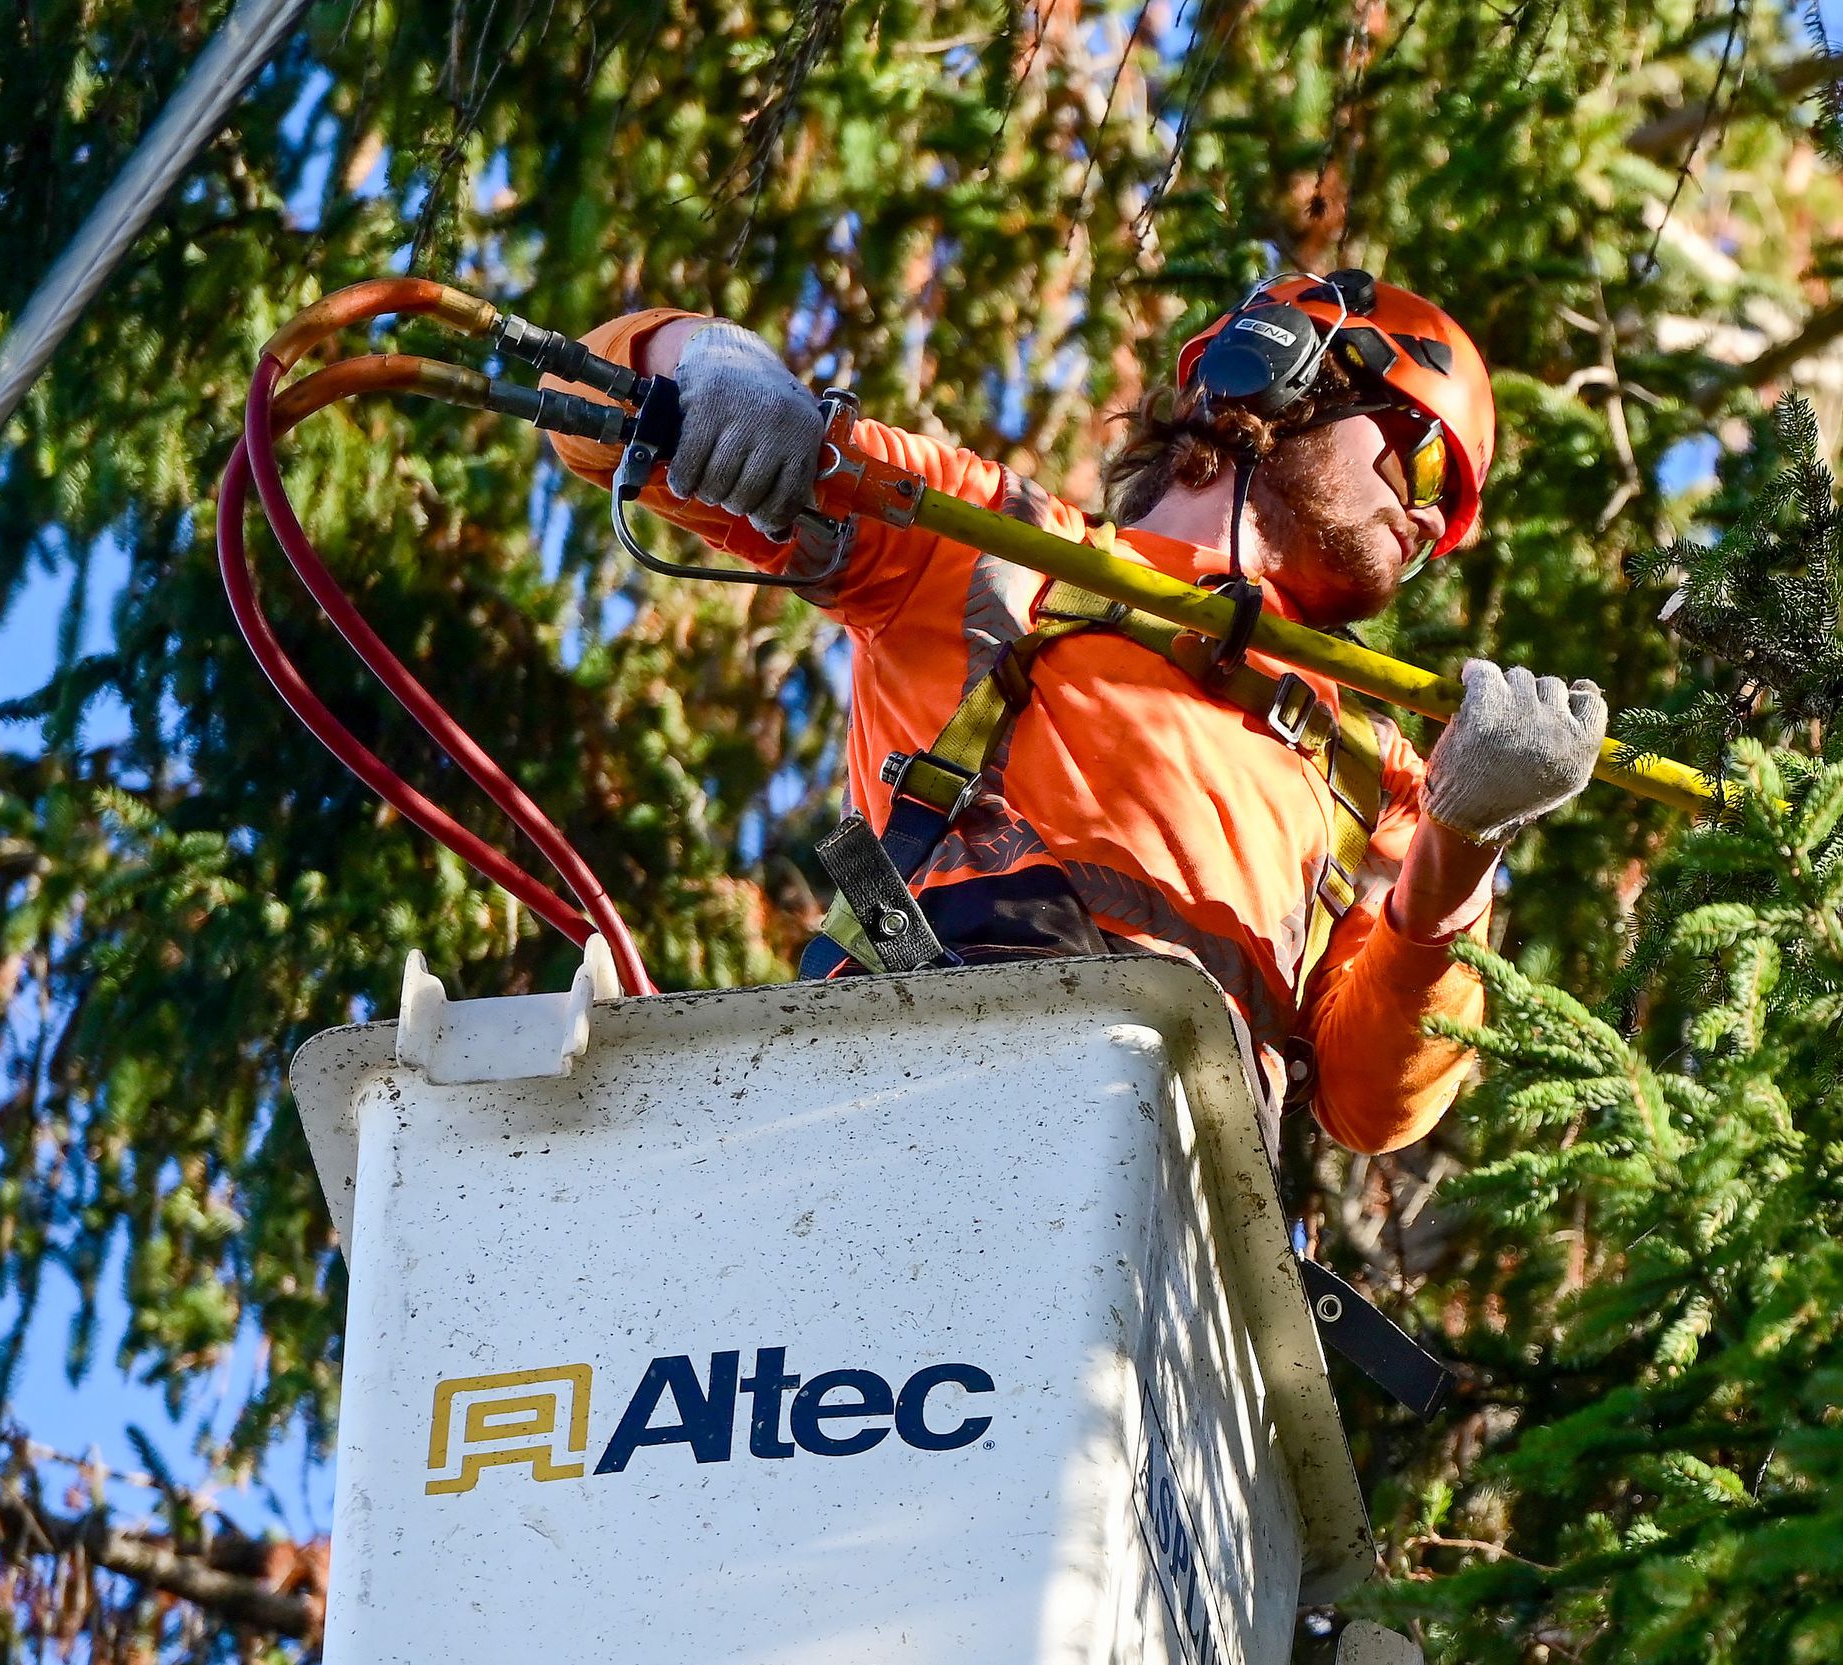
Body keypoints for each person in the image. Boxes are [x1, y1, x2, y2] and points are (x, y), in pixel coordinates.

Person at [549, 269, 1602, 1154]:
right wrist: (712, 369)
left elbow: (1376, 1105)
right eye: (1422, 458)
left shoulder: (1383, 771)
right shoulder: (997, 551)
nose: (1427, 519)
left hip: (1163, 1204)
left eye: (1449, 512)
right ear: (1284, 377)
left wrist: (1465, 844)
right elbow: (587, 394)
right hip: (913, 1091)